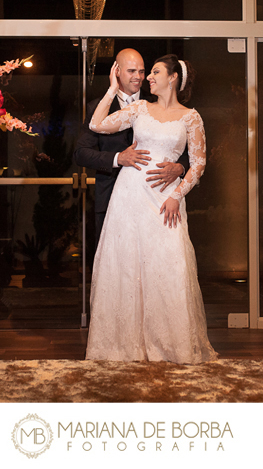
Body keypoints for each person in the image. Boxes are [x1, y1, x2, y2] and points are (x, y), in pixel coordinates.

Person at [84, 54, 217, 363]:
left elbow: (198, 164)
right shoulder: (140, 108)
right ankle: (124, 346)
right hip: (129, 196)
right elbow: (97, 124)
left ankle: (171, 345)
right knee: (127, 267)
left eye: (155, 72)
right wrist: (110, 88)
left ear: (173, 78)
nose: (148, 78)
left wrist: (177, 195)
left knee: (168, 267)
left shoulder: (191, 117)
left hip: (164, 201)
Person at [73, 48, 187, 247]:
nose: (139, 77)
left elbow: (185, 149)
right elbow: (81, 154)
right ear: (116, 72)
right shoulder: (97, 108)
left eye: (142, 72)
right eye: (132, 71)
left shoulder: (157, 101)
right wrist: (118, 158)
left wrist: (180, 167)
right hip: (109, 198)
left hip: (153, 199)